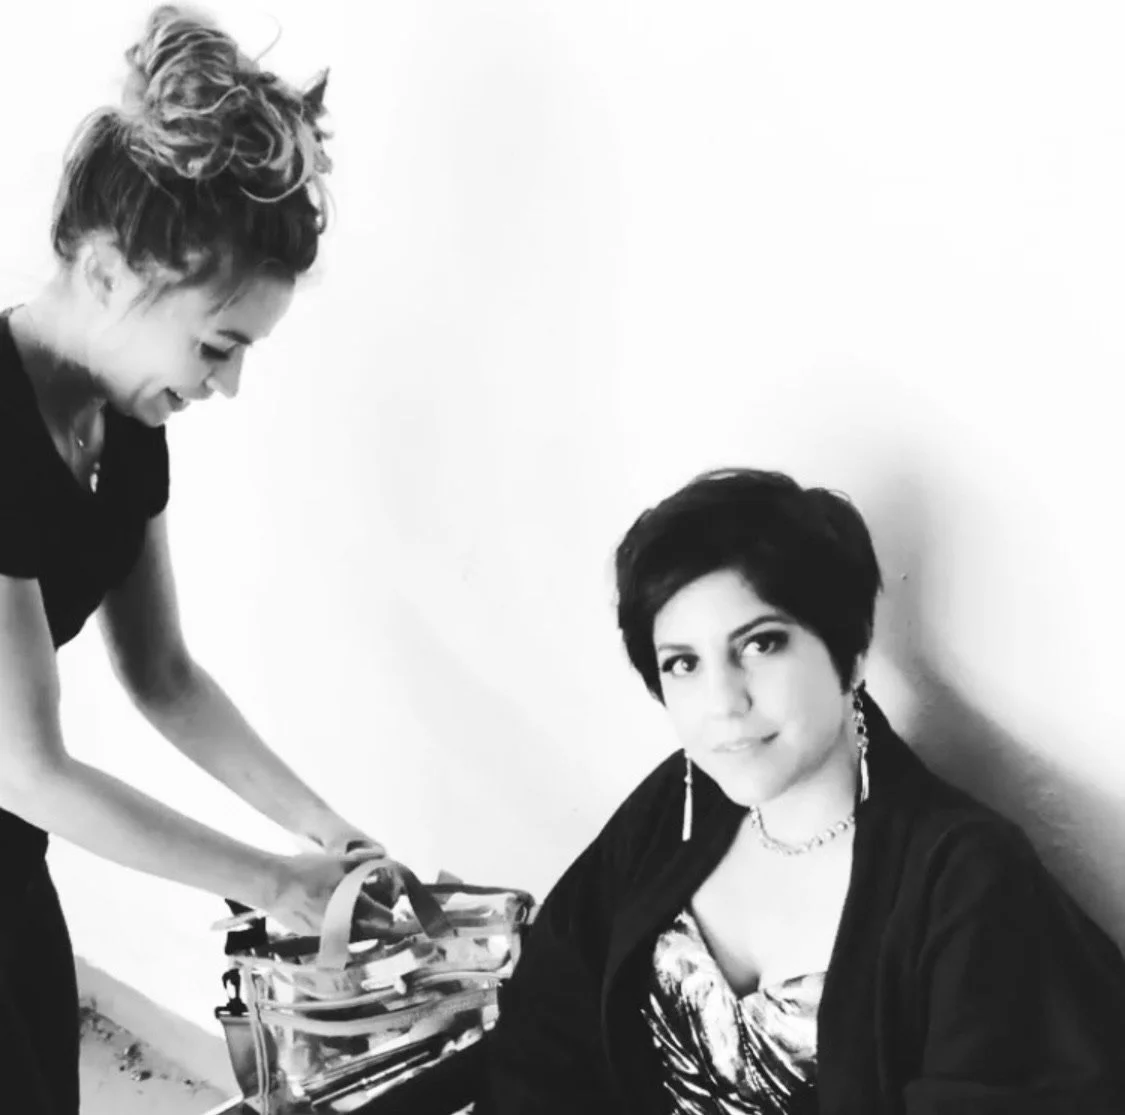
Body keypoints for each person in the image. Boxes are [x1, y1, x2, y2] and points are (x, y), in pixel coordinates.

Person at [0, 6, 392, 1112]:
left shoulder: (126, 425)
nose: (224, 387)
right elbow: (25, 763)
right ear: (116, 273)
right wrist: (275, 881)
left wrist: (328, 833)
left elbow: (162, 673)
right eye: (217, 346)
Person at [478, 467, 1125, 1114]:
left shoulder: (965, 877)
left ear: (850, 652)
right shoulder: (671, 809)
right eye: (683, 662)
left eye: (760, 644)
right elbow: (542, 1039)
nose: (721, 702)